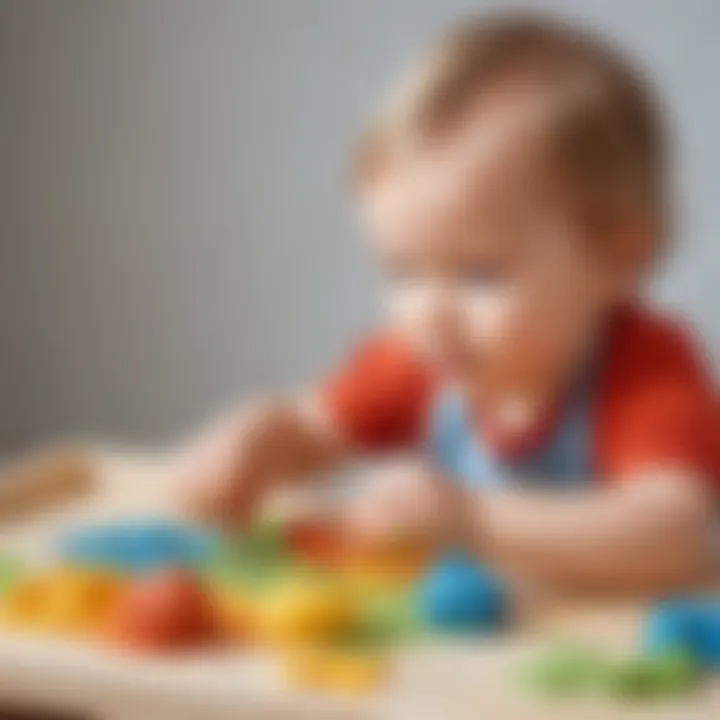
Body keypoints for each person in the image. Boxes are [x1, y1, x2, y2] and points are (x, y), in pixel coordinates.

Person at [177, 15, 718, 594]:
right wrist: (257, 440)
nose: (427, 314)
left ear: (619, 260)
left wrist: (472, 519)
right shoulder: (422, 362)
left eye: (478, 274)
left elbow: (677, 532)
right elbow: (315, 430)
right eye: (402, 271)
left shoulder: (647, 372)